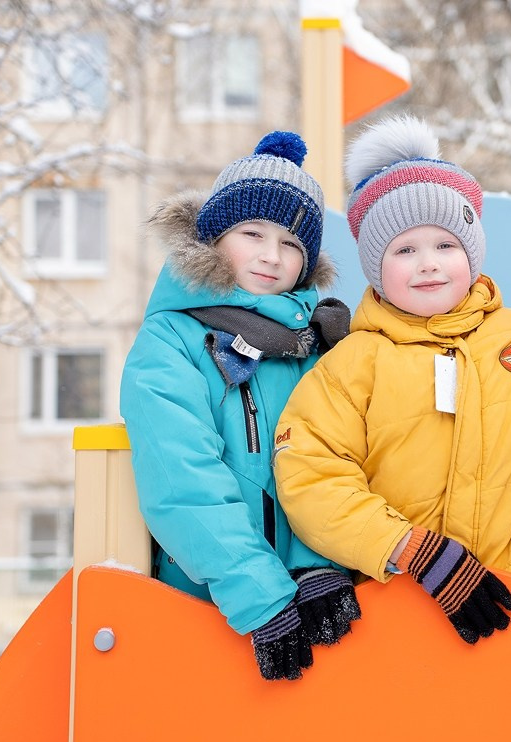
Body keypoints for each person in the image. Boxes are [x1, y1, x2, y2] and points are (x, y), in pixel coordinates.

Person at [273, 116, 511, 645]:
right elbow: (311, 476)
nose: (427, 265)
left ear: (471, 251)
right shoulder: (352, 365)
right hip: (407, 607)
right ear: (376, 267)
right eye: (404, 250)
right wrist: (411, 549)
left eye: (445, 245)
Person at [120, 132, 361, 681]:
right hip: (208, 606)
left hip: (321, 600)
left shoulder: (322, 341)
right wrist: (259, 593)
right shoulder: (173, 341)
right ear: (212, 236)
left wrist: (318, 564)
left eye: (292, 243)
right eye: (252, 233)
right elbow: (182, 478)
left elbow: (334, 462)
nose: (271, 256)